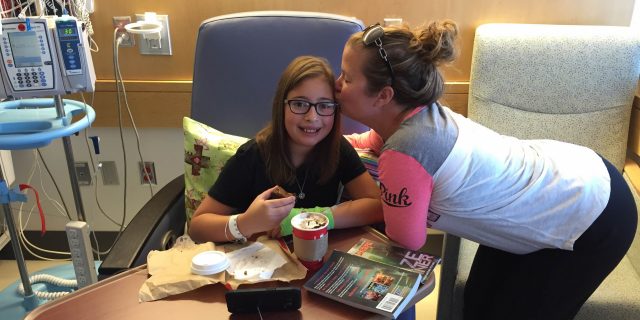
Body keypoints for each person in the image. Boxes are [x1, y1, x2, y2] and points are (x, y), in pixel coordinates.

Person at [336, 21, 638, 319]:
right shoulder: (412, 116)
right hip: (572, 174)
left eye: (347, 78)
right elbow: (365, 143)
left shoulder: (407, 150)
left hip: (592, 213)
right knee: (479, 301)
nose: (337, 85)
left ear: (384, 96)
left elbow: (407, 239)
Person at [188, 55, 382, 244]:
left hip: (315, 258)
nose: (312, 117)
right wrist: (246, 223)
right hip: (257, 262)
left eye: (324, 105)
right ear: (281, 106)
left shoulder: (337, 148)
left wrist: (313, 217)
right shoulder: (252, 156)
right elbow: (197, 228)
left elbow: (377, 205)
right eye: (299, 104)